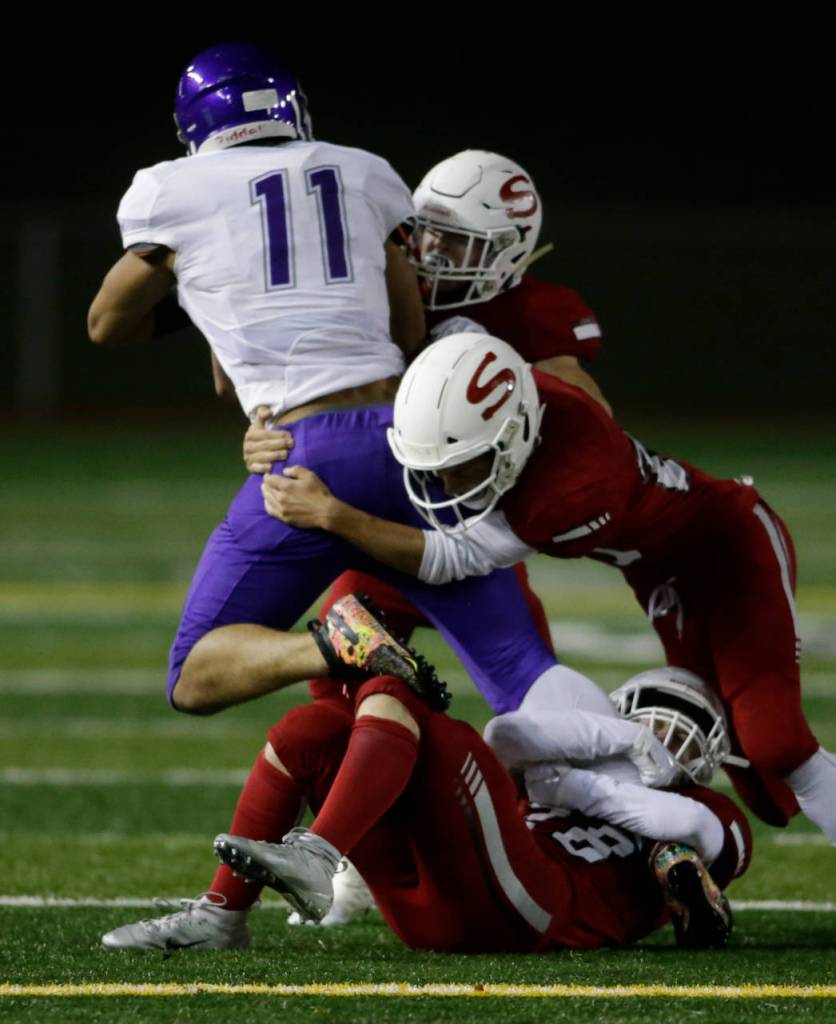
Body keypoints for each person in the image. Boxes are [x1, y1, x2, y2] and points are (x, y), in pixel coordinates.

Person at [87, 47, 582, 725]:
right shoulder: (365, 171)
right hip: (411, 441)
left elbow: (106, 322)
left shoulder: (170, 190)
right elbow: (409, 336)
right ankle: (648, 813)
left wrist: (206, 283)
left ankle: (329, 647)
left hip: (302, 454)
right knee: (526, 675)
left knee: (195, 672)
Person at [260, 332, 836, 846]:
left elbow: (450, 559)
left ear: (515, 440)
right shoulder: (512, 393)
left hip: (730, 549)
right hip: (660, 571)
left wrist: (335, 515)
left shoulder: (572, 491)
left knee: (776, 745)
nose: (445, 483)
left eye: (465, 465)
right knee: (757, 788)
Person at [102, 630, 750, 952]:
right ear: (625, 713)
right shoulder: (602, 753)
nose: (670, 737)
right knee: (314, 729)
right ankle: (223, 913)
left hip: (544, 908)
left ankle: (322, 851)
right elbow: (512, 735)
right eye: (657, 720)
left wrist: (572, 781)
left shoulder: (711, 810)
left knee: (401, 696)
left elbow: (690, 827)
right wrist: (602, 755)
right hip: (444, 904)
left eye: (688, 730)